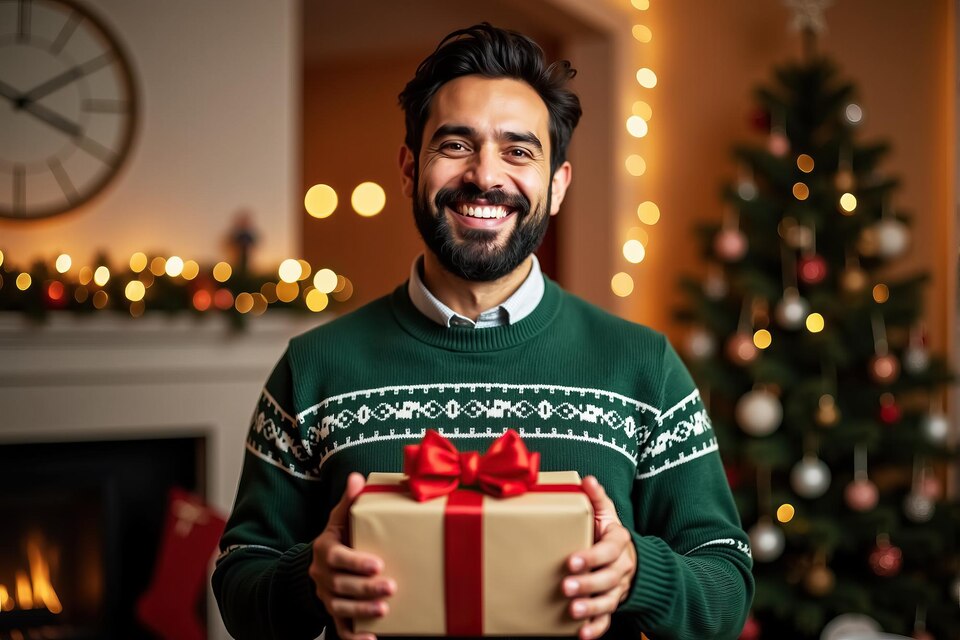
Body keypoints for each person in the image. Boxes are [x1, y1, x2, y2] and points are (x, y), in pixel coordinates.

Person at [213, 23, 754, 640]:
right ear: (410, 168)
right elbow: (238, 580)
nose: (484, 176)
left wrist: (639, 573)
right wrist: (308, 578)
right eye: (456, 145)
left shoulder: (644, 366)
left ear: (557, 187)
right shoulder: (312, 366)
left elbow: (726, 585)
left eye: (518, 151)